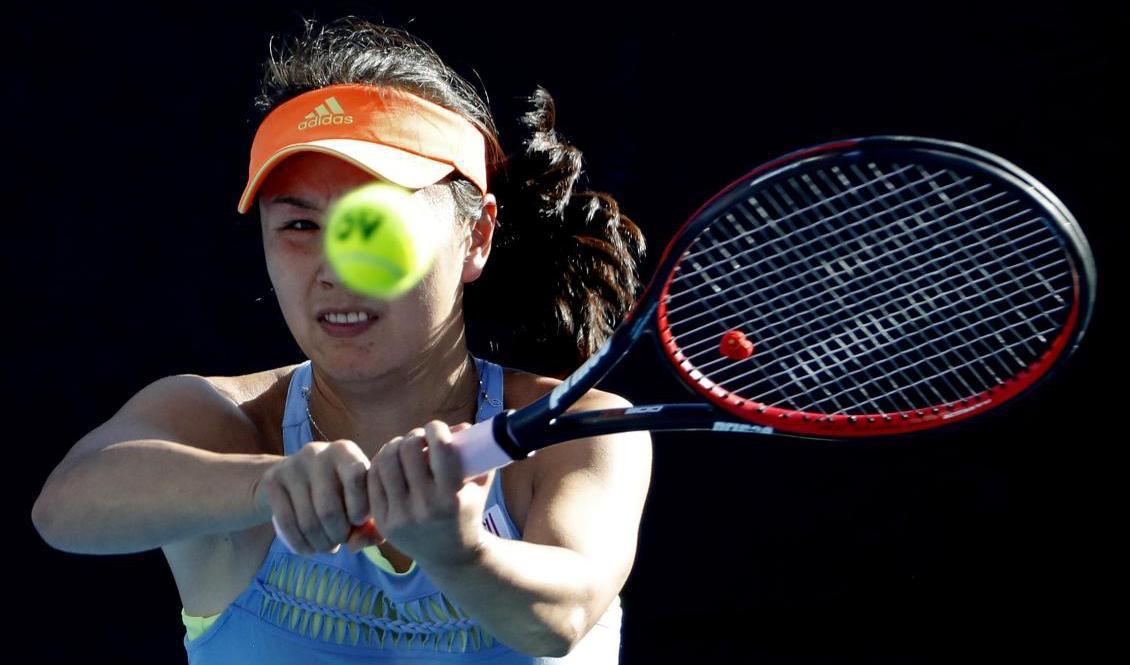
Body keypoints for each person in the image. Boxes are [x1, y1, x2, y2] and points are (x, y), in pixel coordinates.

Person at [31, 15, 652, 664]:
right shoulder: (227, 425)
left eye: (375, 221)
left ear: (476, 236)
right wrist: (273, 486)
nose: (333, 265)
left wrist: (460, 552)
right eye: (299, 223)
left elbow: (563, 616)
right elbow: (65, 506)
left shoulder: (582, 431)